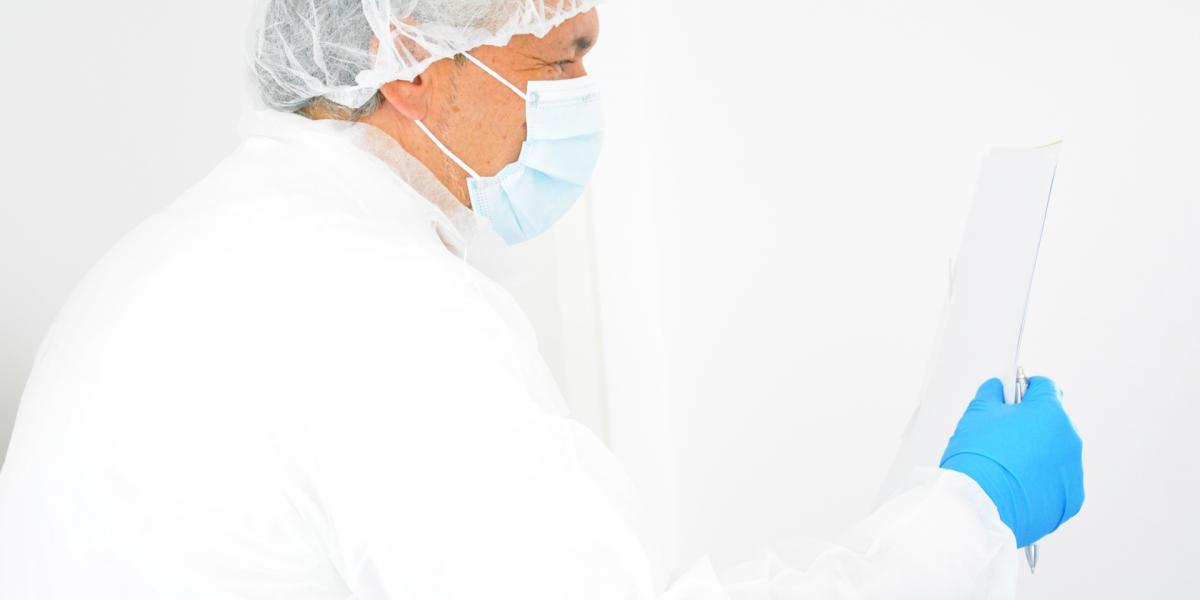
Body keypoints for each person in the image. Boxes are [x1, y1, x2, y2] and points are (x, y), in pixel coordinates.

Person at [0, 1, 1084, 598]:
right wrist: (967, 518)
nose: (581, 97)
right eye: (563, 55)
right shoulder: (373, 308)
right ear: (411, 60)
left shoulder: (191, 252)